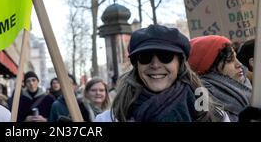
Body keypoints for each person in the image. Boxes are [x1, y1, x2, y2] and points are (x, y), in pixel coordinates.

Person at [95, 25, 227, 122]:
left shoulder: (215, 117)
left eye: (165, 56)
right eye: (145, 57)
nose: (155, 65)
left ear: (180, 63)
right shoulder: (108, 120)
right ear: (137, 65)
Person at [189, 35, 252, 122]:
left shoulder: (246, 83)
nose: (239, 64)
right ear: (210, 68)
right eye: (229, 60)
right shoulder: (203, 100)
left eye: (236, 57)